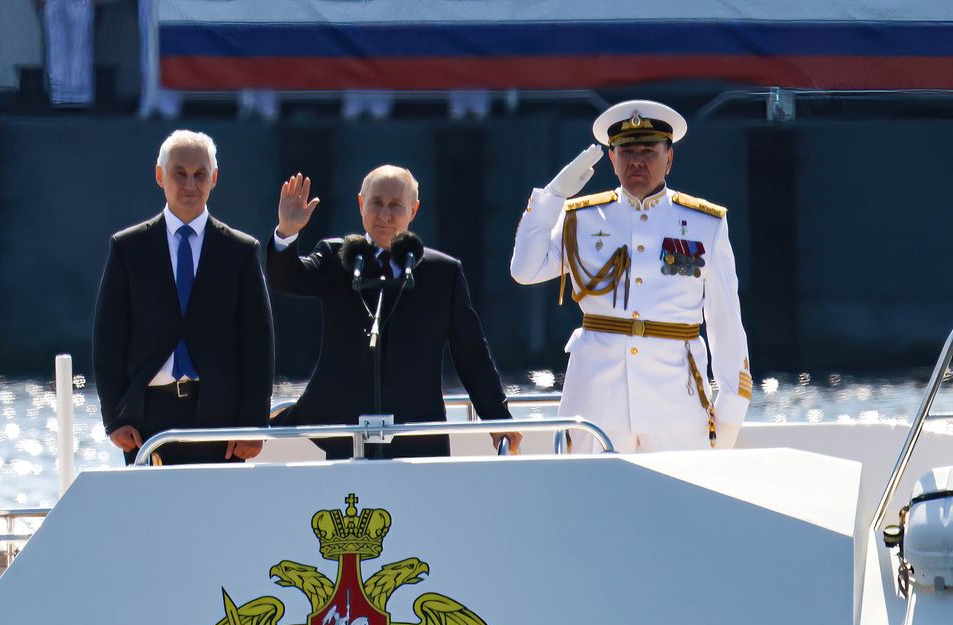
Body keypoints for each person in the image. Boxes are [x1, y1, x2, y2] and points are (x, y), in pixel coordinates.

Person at [510, 100, 752, 453]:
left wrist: (729, 413)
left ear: (669, 157)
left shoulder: (705, 223)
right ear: (611, 158)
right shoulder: (582, 217)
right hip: (596, 398)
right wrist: (552, 197)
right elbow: (524, 270)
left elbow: (725, 322)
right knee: (590, 502)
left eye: (648, 151)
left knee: (677, 503)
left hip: (675, 399)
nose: (636, 161)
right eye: (626, 151)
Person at [268, 166, 520, 459]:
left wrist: (497, 418)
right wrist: (286, 232)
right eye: (376, 203)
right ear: (361, 204)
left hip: (418, 437)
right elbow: (287, 278)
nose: (385, 215)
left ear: (413, 210)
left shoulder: (442, 272)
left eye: (395, 206)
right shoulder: (337, 258)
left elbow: (471, 353)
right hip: (346, 436)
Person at [93, 130, 274, 466]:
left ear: (214, 178)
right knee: (153, 518)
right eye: (180, 173)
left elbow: (257, 345)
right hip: (147, 419)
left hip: (222, 420)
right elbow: (108, 339)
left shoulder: (240, 251)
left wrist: (254, 424)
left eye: (200, 174)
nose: (190, 184)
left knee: (218, 518)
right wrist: (115, 417)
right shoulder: (128, 248)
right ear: (160, 176)